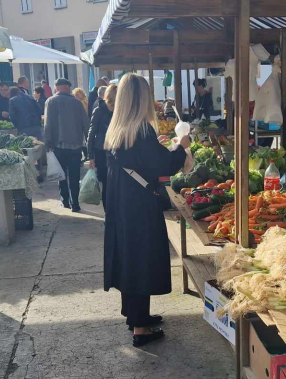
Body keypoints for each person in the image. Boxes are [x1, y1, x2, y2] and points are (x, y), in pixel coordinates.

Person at [103, 73, 190, 346]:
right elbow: (162, 166)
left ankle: (135, 314)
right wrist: (180, 146)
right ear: (141, 98)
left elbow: (142, 159)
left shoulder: (119, 127)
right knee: (141, 257)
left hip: (122, 200)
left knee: (129, 256)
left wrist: (160, 146)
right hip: (139, 203)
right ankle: (141, 328)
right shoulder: (141, 129)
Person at [44, 78, 90, 211]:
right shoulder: (77, 103)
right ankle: (75, 203)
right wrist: (88, 144)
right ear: (68, 88)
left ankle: (65, 200)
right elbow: (85, 124)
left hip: (58, 146)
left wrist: (47, 143)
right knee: (75, 175)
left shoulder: (50, 101)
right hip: (75, 146)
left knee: (61, 174)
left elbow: (48, 125)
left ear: (56, 87)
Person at [88, 83, 116, 208]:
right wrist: (90, 156)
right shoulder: (99, 110)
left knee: (114, 182)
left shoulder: (120, 110)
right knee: (106, 182)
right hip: (101, 150)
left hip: (116, 150)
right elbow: (91, 132)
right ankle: (108, 213)